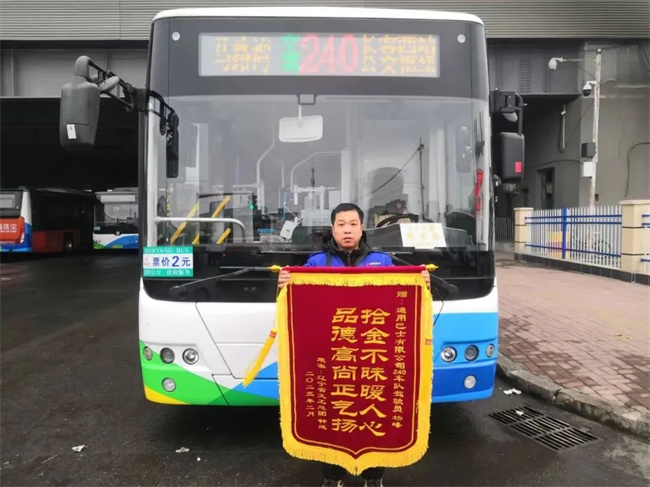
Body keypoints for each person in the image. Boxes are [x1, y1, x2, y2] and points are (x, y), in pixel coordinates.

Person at [278, 202, 430, 487]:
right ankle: (332, 476)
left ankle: (374, 477)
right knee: (333, 414)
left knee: (374, 412)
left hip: (373, 355)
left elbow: (404, 297)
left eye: (352, 224)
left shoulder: (383, 261)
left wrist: (420, 282)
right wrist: (285, 283)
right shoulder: (316, 264)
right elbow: (297, 301)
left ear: (362, 228)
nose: (347, 230)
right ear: (332, 229)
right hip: (333, 356)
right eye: (341, 225)